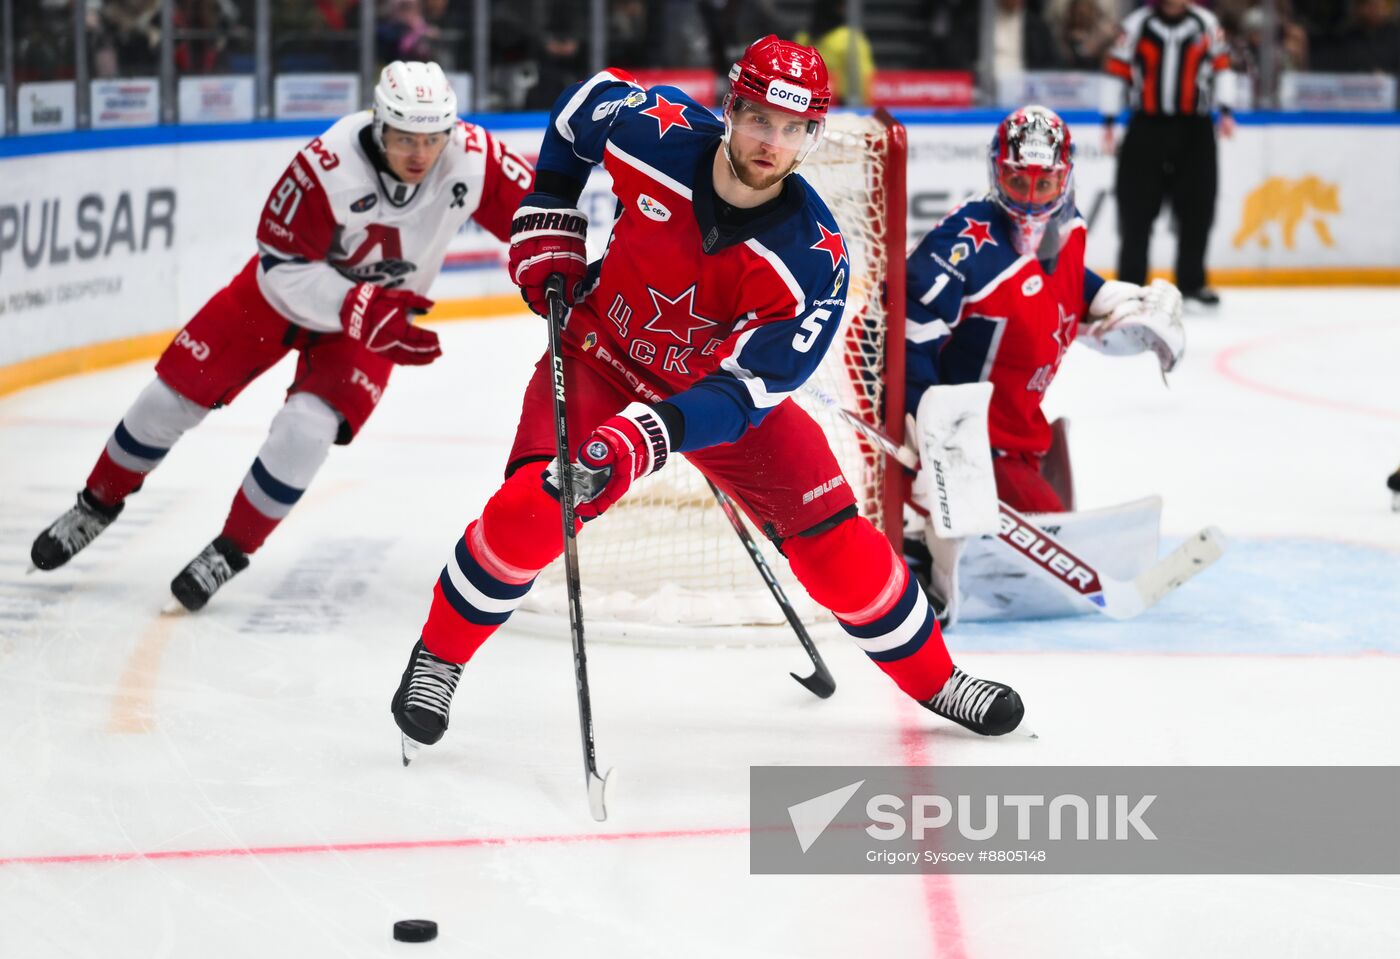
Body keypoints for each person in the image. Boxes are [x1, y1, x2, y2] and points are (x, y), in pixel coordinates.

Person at [390, 36, 1027, 764]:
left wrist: (650, 434)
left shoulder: (811, 258)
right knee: (535, 508)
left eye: (795, 129)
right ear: (730, 108)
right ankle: (439, 659)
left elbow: (748, 391)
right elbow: (581, 107)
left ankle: (939, 680)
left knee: (837, 549)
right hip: (600, 356)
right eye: (760, 119)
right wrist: (551, 208)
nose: (773, 143)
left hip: (721, 404)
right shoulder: (654, 134)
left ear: (813, 134)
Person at [30, 61, 534, 610]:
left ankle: (229, 551)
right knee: (166, 402)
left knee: (307, 430)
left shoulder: (472, 157)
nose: (420, 154)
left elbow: (538, 215)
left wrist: (563, 266)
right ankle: (96, 504)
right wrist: (358, 303)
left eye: (433, 139)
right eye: (406, 138)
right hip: (278, 301)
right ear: (379, 125)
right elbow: (281, 265)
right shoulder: (329, 164)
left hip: (371, 320)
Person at [902, 106, 1185, 616]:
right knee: (1056, 567)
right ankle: (917, 545)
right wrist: (928, 439)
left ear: (1066, 178)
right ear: (995, 173)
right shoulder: (961, 249)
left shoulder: (1069, 226)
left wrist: (1109, 301)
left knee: (1050, 535)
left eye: (1044, 184)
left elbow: (1067, 281)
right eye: (1017, 181)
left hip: (1021, 431)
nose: (1030, 201)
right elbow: (907, 334)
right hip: (979, 448)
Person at [1102, 0, 1237, 309]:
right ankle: (1130, 284)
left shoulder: (1206, 24)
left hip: (1196, 128)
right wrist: (1108, 119)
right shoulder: (1136, 25)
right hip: (1146, 126)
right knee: (1135, 206)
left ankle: (1192, 283)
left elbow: (1222, 68)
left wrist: (1226, 110)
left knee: (1197, 206)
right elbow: (1117, 71)